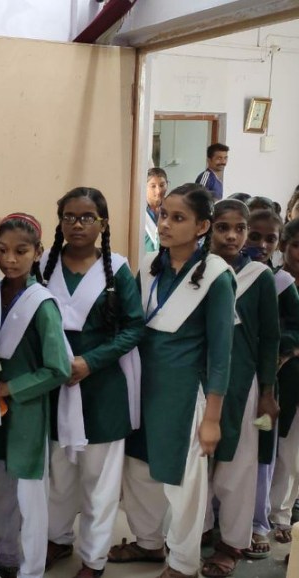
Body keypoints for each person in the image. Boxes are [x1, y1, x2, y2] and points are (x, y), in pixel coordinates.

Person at [109, 184, 236, 578]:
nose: (164, 224)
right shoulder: (149, 266)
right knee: (138, 468)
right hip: (142, 385)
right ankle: (148, 542)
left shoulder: (216, 276)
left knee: (184, 480)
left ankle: (183, 563)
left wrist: (212, 418)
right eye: (163, 215)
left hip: (185, 393)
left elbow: (221, 355)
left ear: (202, 226)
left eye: (177, 218)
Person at [42, 188, 145, 578]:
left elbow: (134, 327)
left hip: (101, 390)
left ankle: (94, 559)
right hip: (54, 387)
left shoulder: (116, 269)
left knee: (98, 483)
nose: (77, 224)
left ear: (103, 223)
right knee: (57, 474)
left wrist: (91, 361)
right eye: (69, 216)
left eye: (87, 217)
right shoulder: (44, 265)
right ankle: (57, 538)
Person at [0, 213, 71, 578]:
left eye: (20, 251)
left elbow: (59, 369)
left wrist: (9, 388)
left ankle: (31, 569)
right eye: (2, 250)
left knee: (30, 497)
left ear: (37, 252)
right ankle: (6, 559)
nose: (9, 259)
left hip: (26, 412)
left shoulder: (41, 303)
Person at [202, 200, 280, 577]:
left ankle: (232, 542)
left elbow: (269, 338)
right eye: (222, 227)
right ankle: (197, 529)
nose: (231, 236)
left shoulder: (259, 277)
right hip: (198, 378)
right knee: (196, 462)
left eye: (239, 229)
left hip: (241, 382)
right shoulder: (197, 269)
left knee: (238, 462)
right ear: (208, 228)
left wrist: (266, 391)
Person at [241, 210, 299, 559]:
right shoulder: (227, 273)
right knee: (231, 450)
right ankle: (221, 517)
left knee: (267, 450)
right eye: (254, 236)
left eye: (270, 239)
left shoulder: (281, 283)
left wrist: (280, 347)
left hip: (271, 381)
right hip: (234, 377)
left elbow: (294, 327)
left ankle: (261, 521)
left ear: (277, 244)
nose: (261, 245)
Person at [268, 218, 299, 545]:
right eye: (297, 245)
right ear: (284, 246)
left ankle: (282, 513)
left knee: (292, 454)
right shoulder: (275, 282)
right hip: (274, 378)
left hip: (293, 373)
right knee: (272, 447)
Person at [145, 168, 169, 252]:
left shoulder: (171, 209)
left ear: (167, 185)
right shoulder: (138, 211)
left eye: (162, 185)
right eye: (153, 186)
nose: (158, 191)